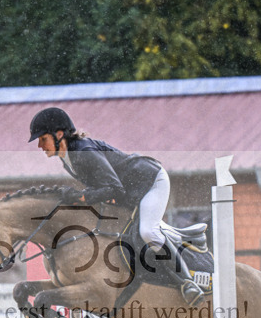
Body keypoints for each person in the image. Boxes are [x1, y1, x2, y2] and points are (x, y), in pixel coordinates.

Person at [28, 107, 204, 306]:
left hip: (150, 183)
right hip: (128, 192)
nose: (40, 146)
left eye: (43, 139)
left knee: (147, 231)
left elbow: (114, 188)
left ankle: (187, 282)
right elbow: (104, 188)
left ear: (59, 134)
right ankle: (184, 242)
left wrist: (82, 197)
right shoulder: (67, 158)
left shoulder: (84, 152)